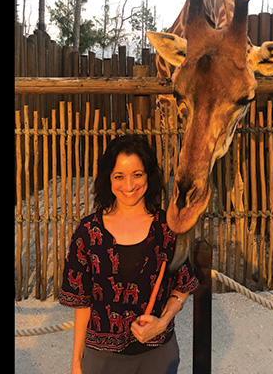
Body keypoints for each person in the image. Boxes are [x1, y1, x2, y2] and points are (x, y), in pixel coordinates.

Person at [59, 135, 200, 374]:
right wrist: (76, 363)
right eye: (119, 176)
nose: (129, 185)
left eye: (137, 174)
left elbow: (183, 286)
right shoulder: (88, 232)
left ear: (149, 176)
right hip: (101, 360)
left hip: (157, 356)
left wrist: (163, 322)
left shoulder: (167, 228)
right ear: (108, 179)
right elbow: (82, 303)